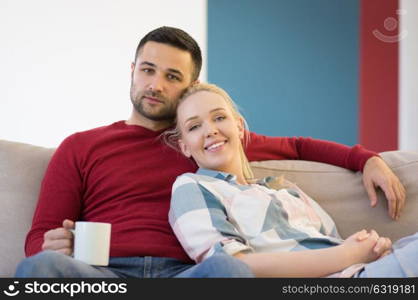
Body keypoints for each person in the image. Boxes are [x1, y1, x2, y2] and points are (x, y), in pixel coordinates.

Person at [15, 26, 404, 278]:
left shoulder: (204, 140)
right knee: (40, 267)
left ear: (190, 84)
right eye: (147, 70)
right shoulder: (81, 146)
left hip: (187, 275)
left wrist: (366, 159)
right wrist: (53, 244)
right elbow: (38, 238)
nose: (155, 84)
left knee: (230, 271)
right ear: (132, 70)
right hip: (104, 274)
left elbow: (299, 146)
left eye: (171, 77)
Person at [167, 83, 418, 277]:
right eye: (194, 127)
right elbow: (234, 267)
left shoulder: (284, 188)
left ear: (240, 127)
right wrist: (347, 254)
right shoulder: (192, 186)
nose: (210, 130)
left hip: (362, 269)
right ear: (185, 147)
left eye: (219, 117)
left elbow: (333, 242)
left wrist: (371, 250)